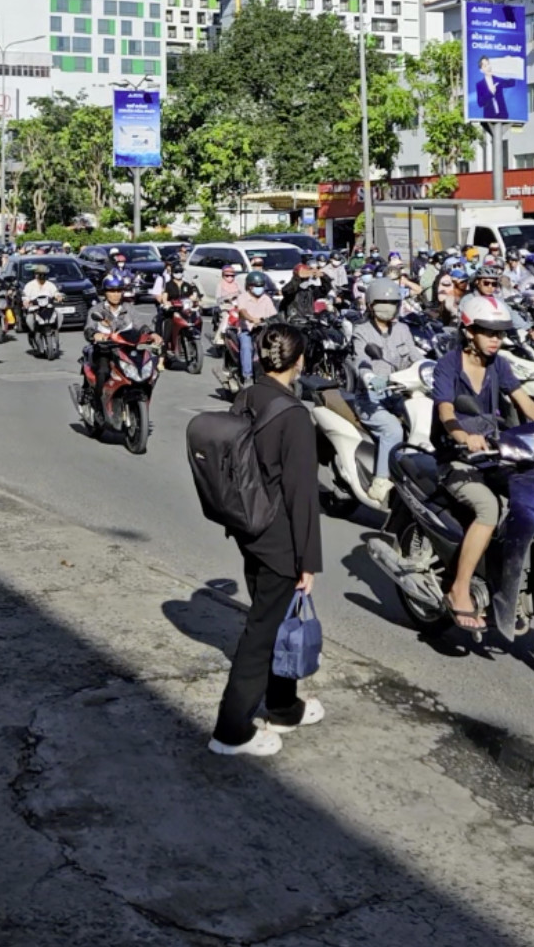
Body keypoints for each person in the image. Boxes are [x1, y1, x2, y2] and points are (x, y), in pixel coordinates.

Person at [433, 295, 534, 633]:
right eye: (489, 332)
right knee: (487, 507)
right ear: (470, 332)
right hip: (456, 458)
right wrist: (462, 437)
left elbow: (526, 404)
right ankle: (459, 589)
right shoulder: (448, 365)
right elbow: (445, 412)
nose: (496, 339)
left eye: (500, 333)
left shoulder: (499, 364)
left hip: (496, 455)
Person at [209, 323, 323, 757]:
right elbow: (302, 495)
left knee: (275, 621)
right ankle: (231, 730)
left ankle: (282, 706)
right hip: (278, 536)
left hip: (249, 527)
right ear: (300, 362)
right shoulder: (293, 414)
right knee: (262, 632)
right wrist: (307, 560)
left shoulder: (249, 395)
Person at [351, 278, 426, 503]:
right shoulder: (361, 331)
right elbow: (360, 361)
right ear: (371, 304)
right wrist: (370, 378)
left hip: (399, 393)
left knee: (422, 423)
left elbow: (415, 355)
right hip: (370, 398)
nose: (389, 306)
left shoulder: (403, 329)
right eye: (383, 302)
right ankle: (380, 482)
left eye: (393, 302)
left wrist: (431, 368)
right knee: (393, 429)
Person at [84, 276, 156, 413]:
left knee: (148, 369)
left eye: (119, 290)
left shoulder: (129, 308)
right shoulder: (96, 310)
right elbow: (89, 329)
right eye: (112, 291)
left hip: (127, 350)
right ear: (105, 292)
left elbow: (140, 325)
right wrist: (95, 335)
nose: (116, 294)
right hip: (104, 351)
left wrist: (152, 334)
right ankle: (98, 407)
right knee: (103, 372)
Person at [235, 271, 278, 386]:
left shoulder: (266, 299)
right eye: (257, 286)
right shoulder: (243, 297)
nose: (259, 288)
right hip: (247, 332)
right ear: (249, 286)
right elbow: (242, 311)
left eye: (261, 286)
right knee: (247, 348)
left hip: (263, 332)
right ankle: (247, 376)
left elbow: (273, 314)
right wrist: (251, 319)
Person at [158, 262, 201, 345]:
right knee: (169, 325)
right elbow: (164, 298)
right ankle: (164, 348)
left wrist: (196, 300)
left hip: (185, 311)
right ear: (173, 272)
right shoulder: (168, 285)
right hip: (173, 311)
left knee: (196, 319)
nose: (179, 274)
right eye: (176, 272)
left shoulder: (187, 285)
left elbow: (192, 297)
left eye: (180, 271)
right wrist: (167, 304)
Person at [22, 264, 62, 346]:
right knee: (29, 320)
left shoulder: (50, 285)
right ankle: (32, 334)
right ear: (35, 274)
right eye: (40, 274)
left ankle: (55, 331)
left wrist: (58, 296)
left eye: (44, 274)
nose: (42, 276)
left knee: (59, 315)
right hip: (34, 309)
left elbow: (55, 293)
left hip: (48, 309)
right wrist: (26, 301)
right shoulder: (29, 285)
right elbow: (25, 296)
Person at [475, 55, 514, 120]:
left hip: (502, 116)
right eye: (485, 66)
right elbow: (480, 103)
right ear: (481, 70)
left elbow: (511, 83)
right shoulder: (480, 85)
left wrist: (511, 65)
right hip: (489, 117)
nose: (488, 67)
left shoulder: (497, 79)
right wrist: (490, 93)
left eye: (489, 64)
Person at [214, 264, 242, 346]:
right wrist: (226, 299)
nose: (230, 278)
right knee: (225, 318)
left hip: (236, 306)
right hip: (225, 307)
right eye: (227, 276)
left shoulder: (237, 284)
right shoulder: (220, 285)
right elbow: (218, 298)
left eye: (232, 276)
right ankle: (218, 338)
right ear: (223, 275)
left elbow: (242, 293)